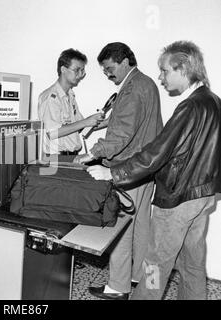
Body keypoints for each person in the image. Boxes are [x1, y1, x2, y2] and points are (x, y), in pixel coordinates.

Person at [87, 41, 221, 300]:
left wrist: (114, 173)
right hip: (202, 196)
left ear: (183, 69)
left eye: (165, 70)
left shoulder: (190, 107)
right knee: (192, 263)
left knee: (155, 264)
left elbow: (157, 153)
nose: (160, 77)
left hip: (178, 198)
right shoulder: (214, 102)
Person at [75, 42, 163, 300]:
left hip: (128, 170)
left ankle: (118, 287)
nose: (108, 74)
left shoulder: (132, 90)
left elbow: (122, 134)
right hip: (146, 169)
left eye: (110, 68)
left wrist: (92, 153)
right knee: (141, 226)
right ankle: (138, 277)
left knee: (120, 228)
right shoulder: (146, 84)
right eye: (104, 71)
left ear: (125, 61)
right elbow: (134, 126)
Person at [38, 48, 104, 161]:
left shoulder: (70, 96)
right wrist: (86, 121)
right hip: (56, 158)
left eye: (82, 71)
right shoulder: (51, 97)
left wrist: (111, 120)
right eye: (77, 70)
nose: (80, 75)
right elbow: (51, 133)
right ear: (63, 69)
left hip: (70, 156)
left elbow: (82, 127)